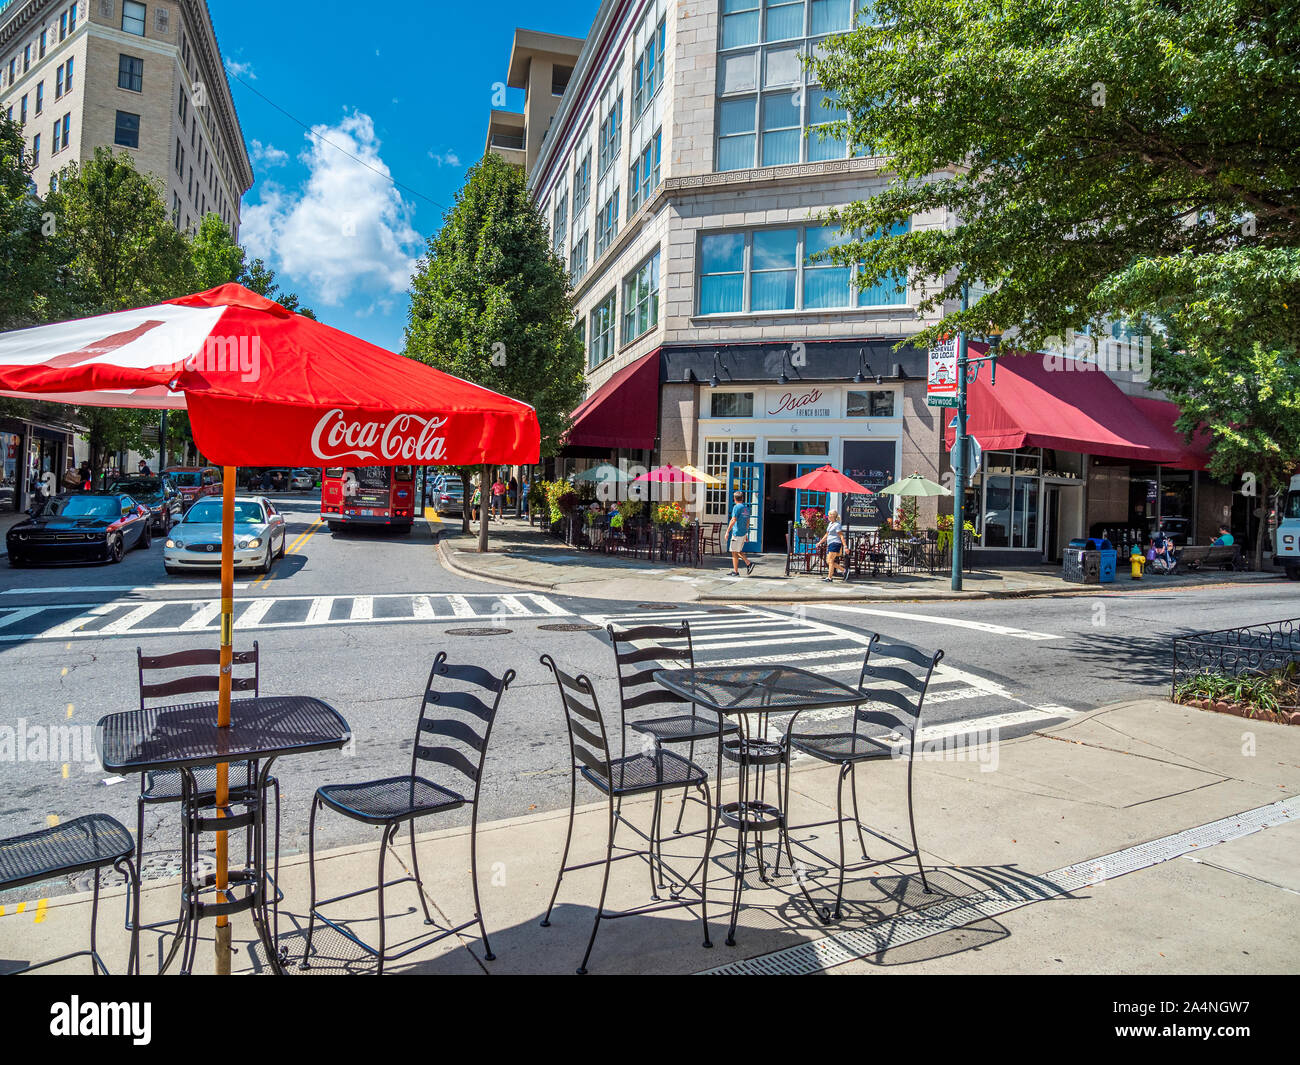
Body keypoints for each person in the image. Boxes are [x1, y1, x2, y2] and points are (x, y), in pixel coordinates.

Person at [724, 490, 754, 576]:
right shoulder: (746, 508)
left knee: (734, 551)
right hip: (743, 533)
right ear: (742, 498)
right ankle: (737, 569)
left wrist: (727, 531)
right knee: (738, 551)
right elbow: (748, 521)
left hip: (737, 533)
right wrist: (746, 533)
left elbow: (733, 520)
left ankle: (746, 565)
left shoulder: (736, 507)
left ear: (734, 499)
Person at [818, 509, 848, 582]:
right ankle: (844, 570)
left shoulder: (837, 525)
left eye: (829, 515)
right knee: (828, 561)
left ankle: (829, 578)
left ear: (833, 516)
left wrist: (845, 546)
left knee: (831, 561)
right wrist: (820, 542)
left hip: (835, 543)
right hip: (830, 543)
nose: (828, 516)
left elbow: (841, 536)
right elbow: (827, 535)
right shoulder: (830, 524)